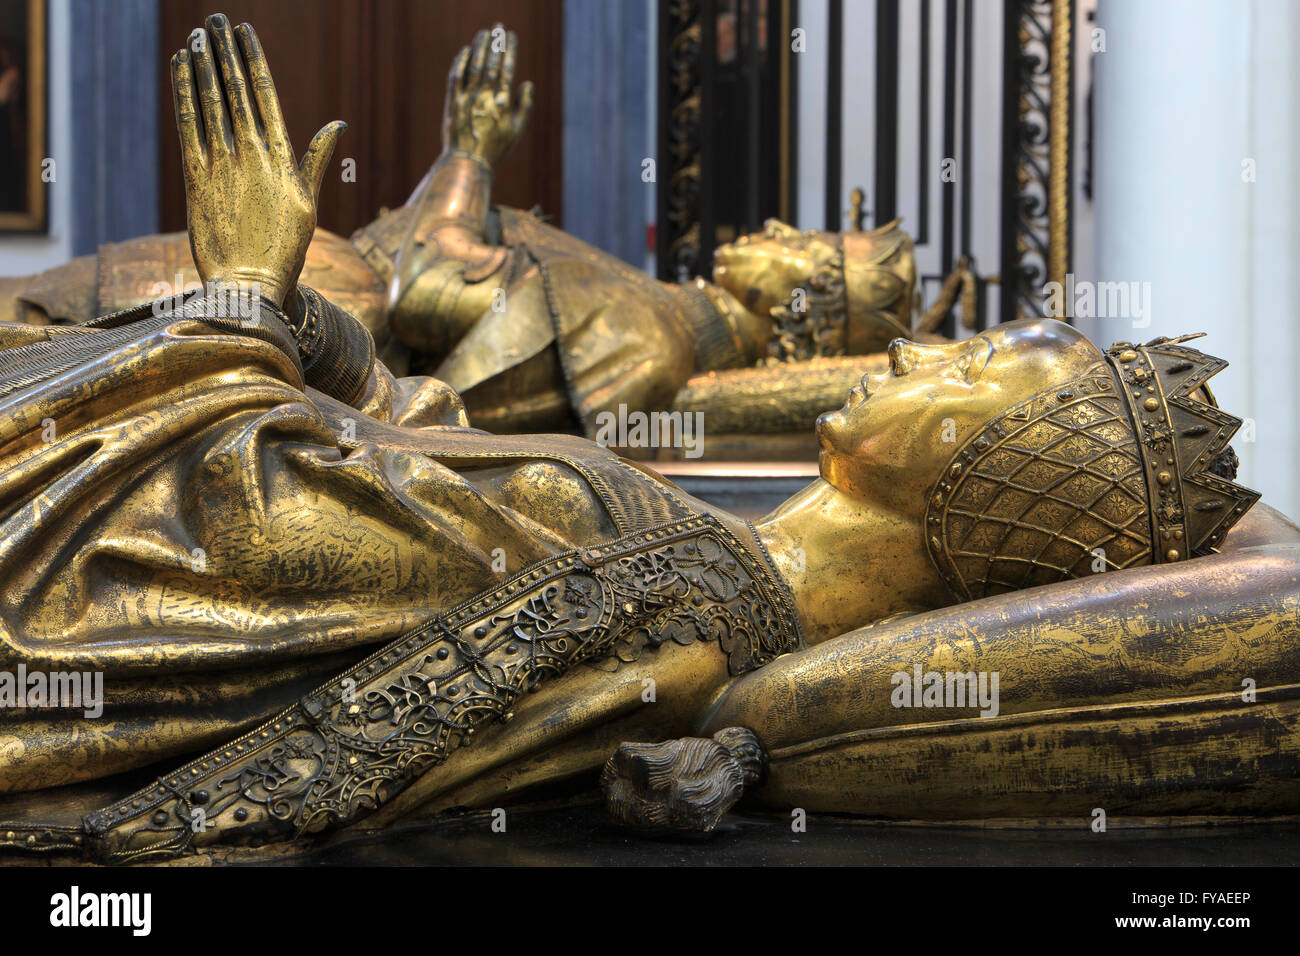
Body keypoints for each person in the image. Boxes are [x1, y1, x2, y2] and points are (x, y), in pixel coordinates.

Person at [0, 15, 1283, 864]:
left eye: (972, 362)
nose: (907, 353)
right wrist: (305, 329)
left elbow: (220, 531)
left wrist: (232, 303)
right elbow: (412, 430)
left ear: (998, 481)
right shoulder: (679, 557)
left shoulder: (653, 571)